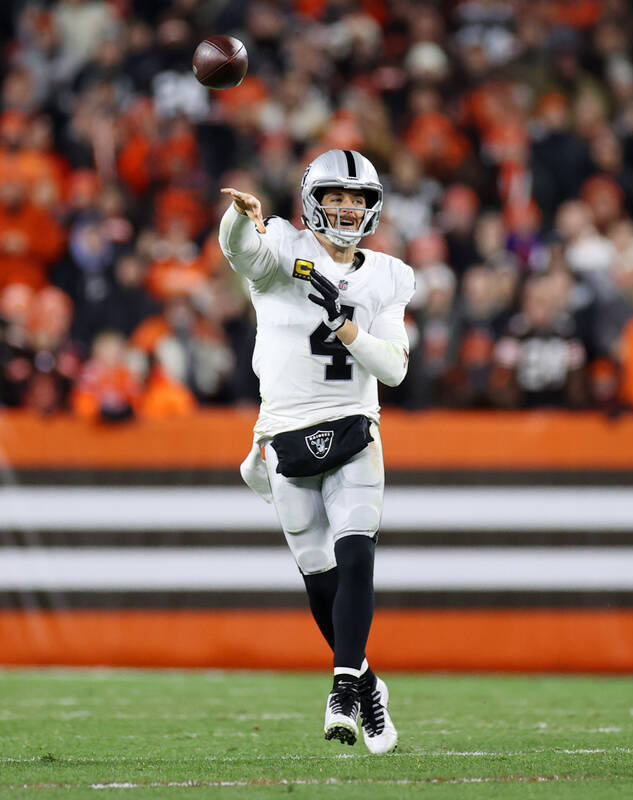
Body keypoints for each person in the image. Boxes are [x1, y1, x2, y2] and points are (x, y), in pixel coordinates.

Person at [218, 149, 415, 755]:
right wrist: (239, 218)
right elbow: (239, 251)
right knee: (319, 578)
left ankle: (341, 687)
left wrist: (347, 325)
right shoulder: (281, 249)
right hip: (285, 429)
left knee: (357, 556)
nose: (348, 208)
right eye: (336, 198)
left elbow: (395, 368)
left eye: (358, 199)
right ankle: (367, 680)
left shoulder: (389, 275)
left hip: (355, 424)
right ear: (312, 202)